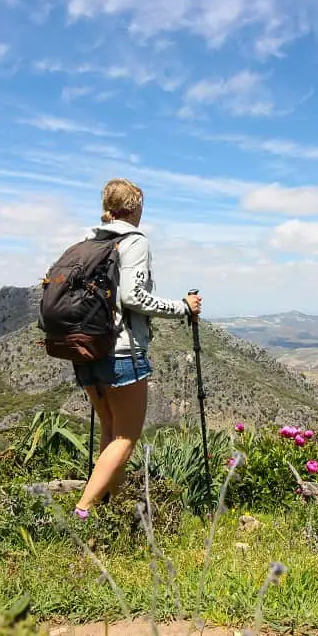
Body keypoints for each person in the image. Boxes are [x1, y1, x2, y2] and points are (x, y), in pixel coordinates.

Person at [72, 178, 202, 519]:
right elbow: (133, 296)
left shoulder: (90, 241)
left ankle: (108, 507)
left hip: (85, 350)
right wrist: (183, 307)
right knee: (126, 437)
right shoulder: (133, 241)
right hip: (121, 353)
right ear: (136, 207)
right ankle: (83, 512)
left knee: (110, 432)